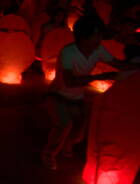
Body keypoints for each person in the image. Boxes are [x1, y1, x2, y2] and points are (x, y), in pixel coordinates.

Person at [41, 15, 140, 170]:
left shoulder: (98, 49)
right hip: (57, 95)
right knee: (64, 124)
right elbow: (70, 81)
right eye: (97, 35)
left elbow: (118, 64)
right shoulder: (68, 53)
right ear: (84, 37)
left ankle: (67, 144)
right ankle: (48, 154)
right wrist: (101, 76)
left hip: (77, 97)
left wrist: (136, 67)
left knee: (78, 133)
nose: (100, 38)